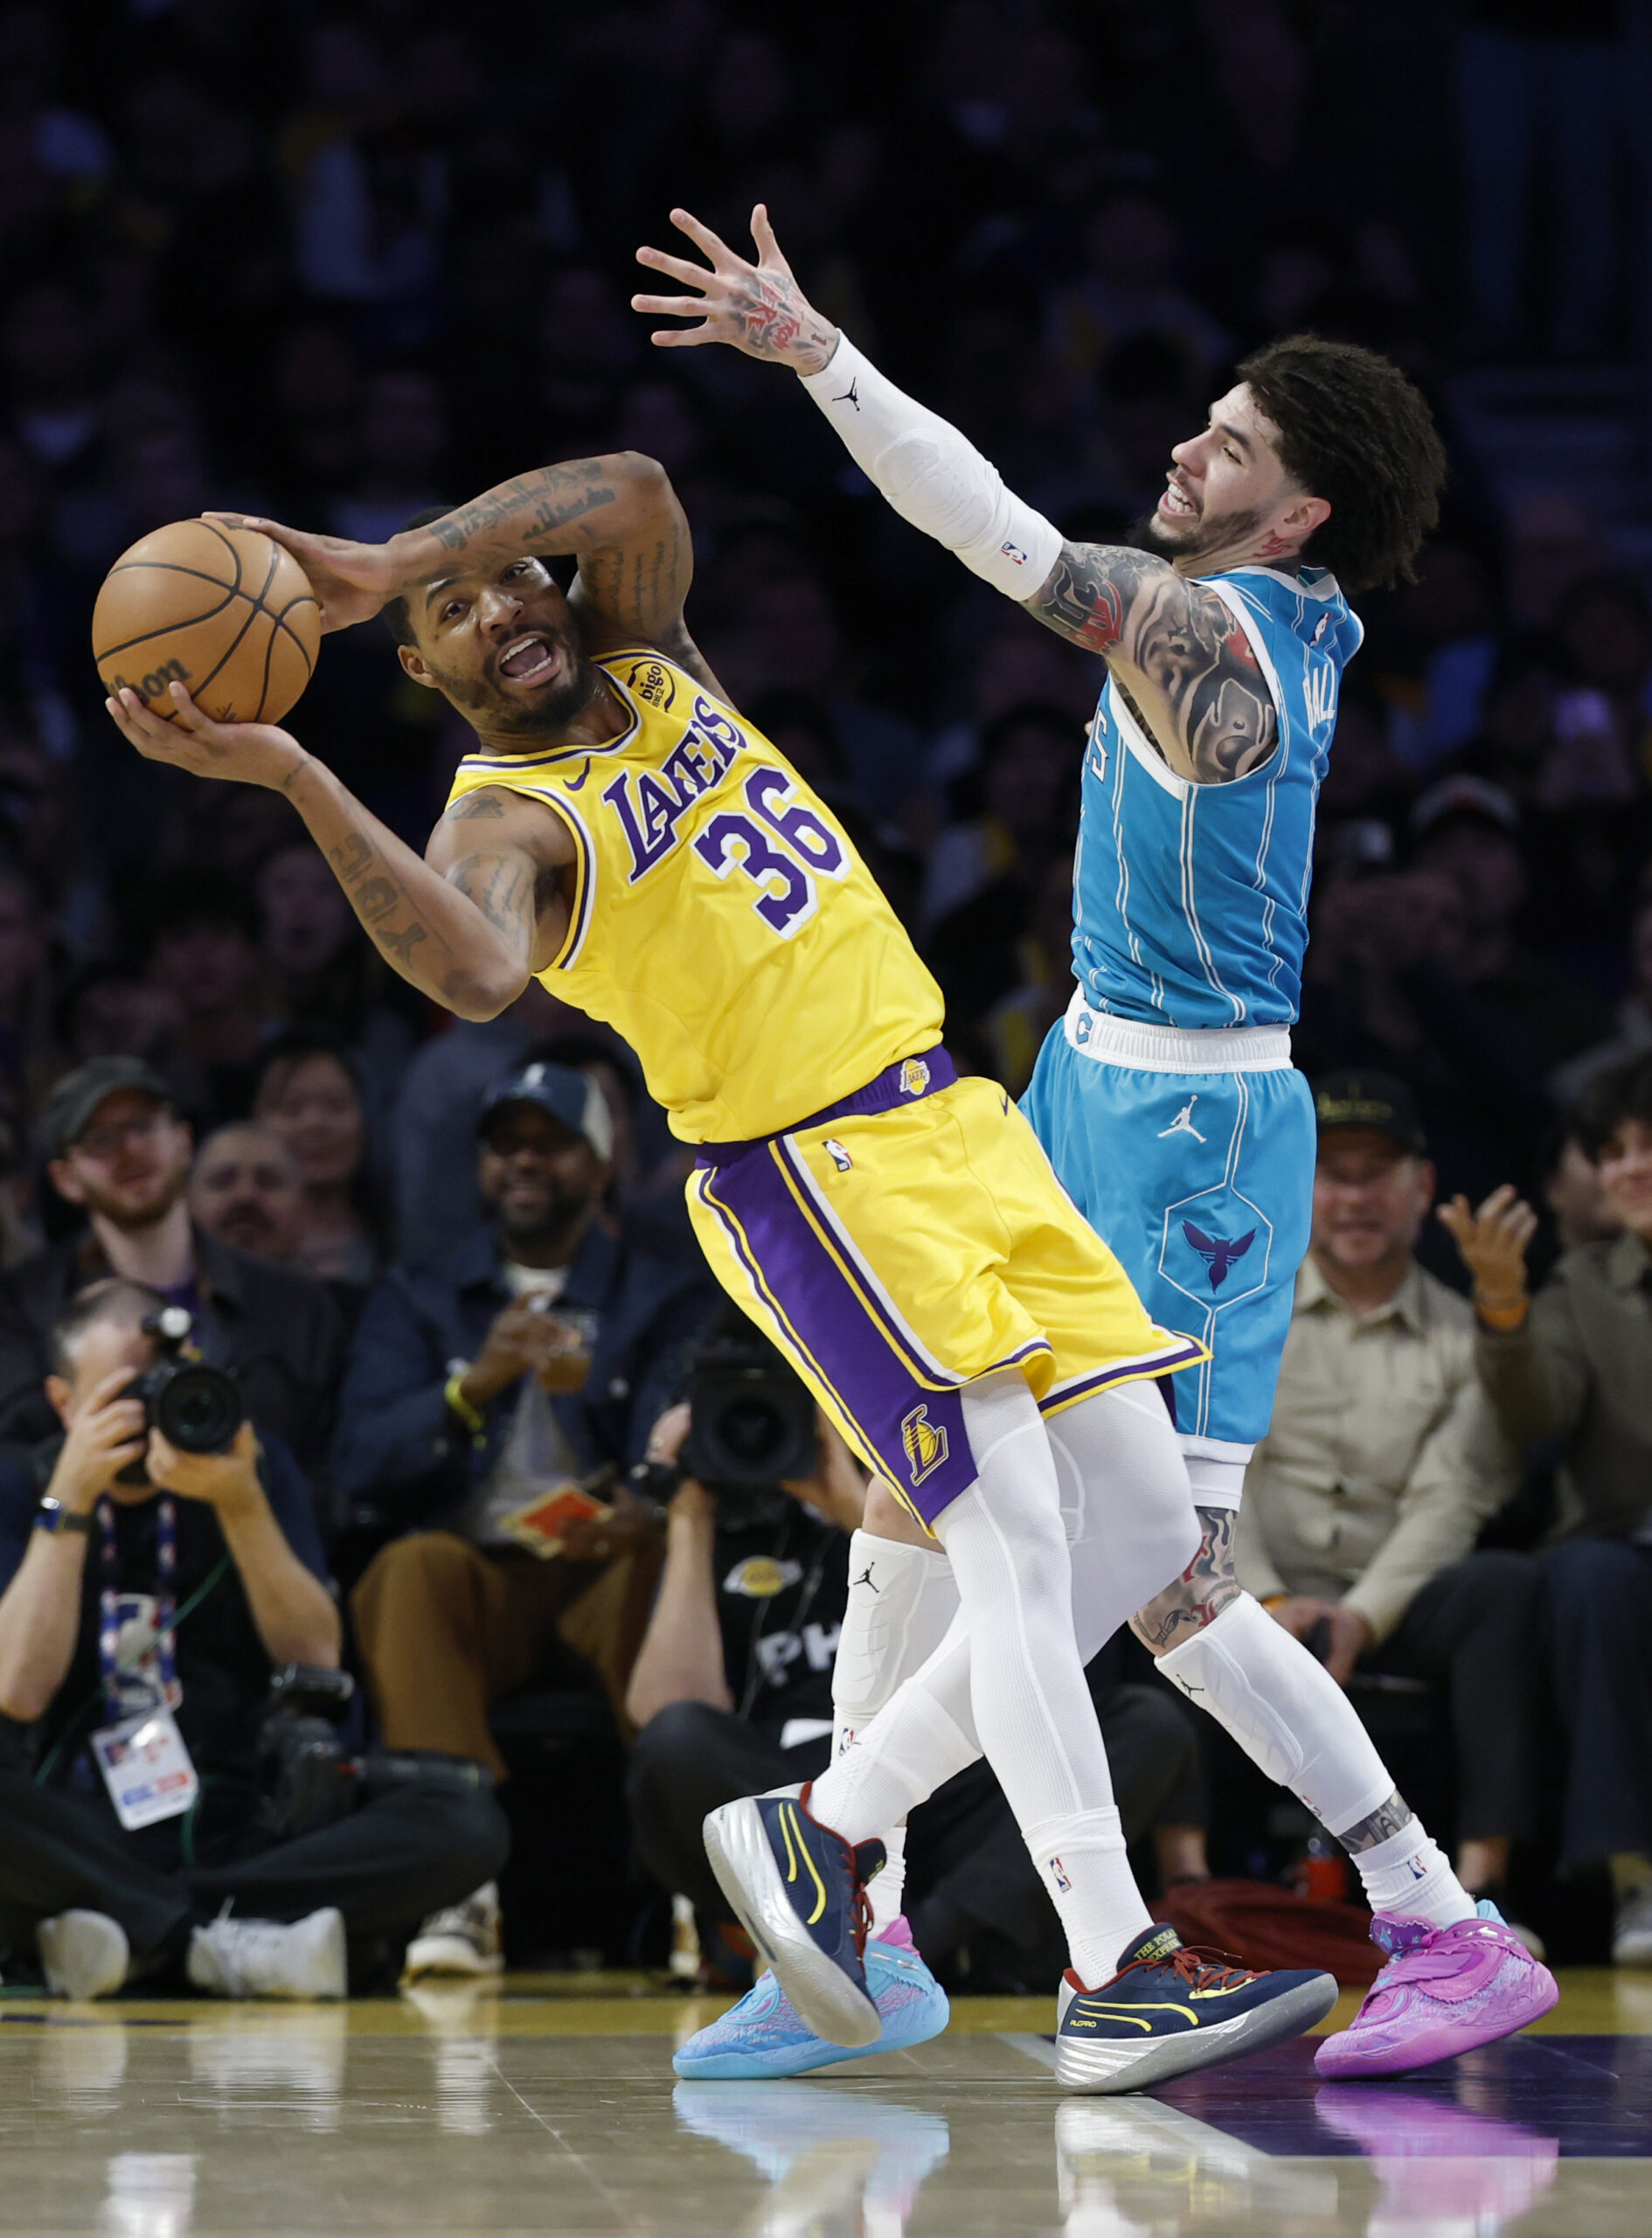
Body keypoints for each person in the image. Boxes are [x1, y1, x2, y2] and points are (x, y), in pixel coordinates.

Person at [102, 397, 1330, 2094]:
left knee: (1133, 1514)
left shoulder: (657, 651)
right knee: (1022, 1545)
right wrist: (294, 770)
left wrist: (396, 560)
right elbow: (471, 971)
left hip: (955, 1123)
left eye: (514, 581)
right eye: (453, 617)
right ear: (420, 673)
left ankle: (829, 1832)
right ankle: (1112, 1961)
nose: (503, 610)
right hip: (810, 1166)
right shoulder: (500, 816)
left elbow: (637, 487)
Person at [631, 200, 1555, 2078]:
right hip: (1086, 1081)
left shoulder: (1213, 630)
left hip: (1192, 1129)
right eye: (1202, 422)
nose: (1183, 451)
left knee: (1149, 1566)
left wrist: (815, 352)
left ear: (1295, 516)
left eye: (1229, 447)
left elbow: (996, 536)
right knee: (919, 1488)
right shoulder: (1255, 609)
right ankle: (861, 1930)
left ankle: (1429, 1913)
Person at [629, 1359, 1209, 2079]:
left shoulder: (936, 1469)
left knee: (1141, 1721)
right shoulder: (729, 1514)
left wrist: (858, 1502)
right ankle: (837, 1946)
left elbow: (1020, 1628)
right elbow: (662, 1708)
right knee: (678, 1741)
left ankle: (897, 1953)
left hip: (960, 1782)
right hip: (790, 1762)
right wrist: (687, 1517)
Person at [0, 1279, 507, 1999]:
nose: (148, 1414)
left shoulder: (252, 1465)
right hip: (77, 1827)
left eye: (163, 1387)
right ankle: (227, 1941)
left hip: (245, 1819)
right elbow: (17, 1691)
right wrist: (72, 1500)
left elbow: (315, 1658)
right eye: (122, 1395)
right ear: (62, 1402)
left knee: (465, 1822)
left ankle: (141, 1935)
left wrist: (240, 1503)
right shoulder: (25, 1487)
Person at [339, 1056, 711, 1977]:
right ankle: (455, 1886)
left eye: (551, 1144)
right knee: (409, 1570)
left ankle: (698, 1893)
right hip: (481, 1571)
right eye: (506, 1146)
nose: (525, 1163)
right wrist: (471, 1387)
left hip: (607, 1562)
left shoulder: (661, 1294)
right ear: (480, 1166)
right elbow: (357, 1468)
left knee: (668, 1560)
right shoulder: (418, 1296)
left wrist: (640, 1501)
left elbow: (678, 1432)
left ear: (600, 1162)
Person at [1233, 1073, 1537, 1927]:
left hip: (1400, 1602)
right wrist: (1265, 1598)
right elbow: (1227, 1471)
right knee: (1166, 1582)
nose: (1355, 1196)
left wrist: (1362, 1614)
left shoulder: (1461, 1332)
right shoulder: (1249, 1314)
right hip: (1259, 1593)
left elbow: (1454, 1495)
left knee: (1505, 1587)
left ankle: (1487, 1889)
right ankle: (1184, 1885)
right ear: (1301, 1182)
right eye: (1334, 1172)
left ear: (1423, 1188)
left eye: (1379, 1172)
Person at [1442, 1052, 1652, 1964]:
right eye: (1611, 1150)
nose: (1629, 1167)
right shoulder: (1582, 1281)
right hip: (1624, 1548)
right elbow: (1538, 1413)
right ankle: (1635, 1883)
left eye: (1649, 1145)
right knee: (1584, 1576)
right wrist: (1503, 1305)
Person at [0, 1059, 347, 1484]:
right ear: (65, 1178)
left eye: (144, 1126)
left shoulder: (294, 1304)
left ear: (184, 1140)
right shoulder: (23, 1309)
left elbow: (332, 1467)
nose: (130, 1149)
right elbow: (16, 1468)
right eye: (100, 1140)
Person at [249, 1030, 383, 1286]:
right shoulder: (228, 1251)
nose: (315, 1124)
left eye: (336, 1106)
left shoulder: (405, 1242)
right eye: (291, 1107)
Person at [188, 1122, 308, 1268]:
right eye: (223, 1181)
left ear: (304, 1203)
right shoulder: (156, 1289)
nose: (246, 1195)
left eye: (268, 1182)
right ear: (187, 1202)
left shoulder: (331, 1290)